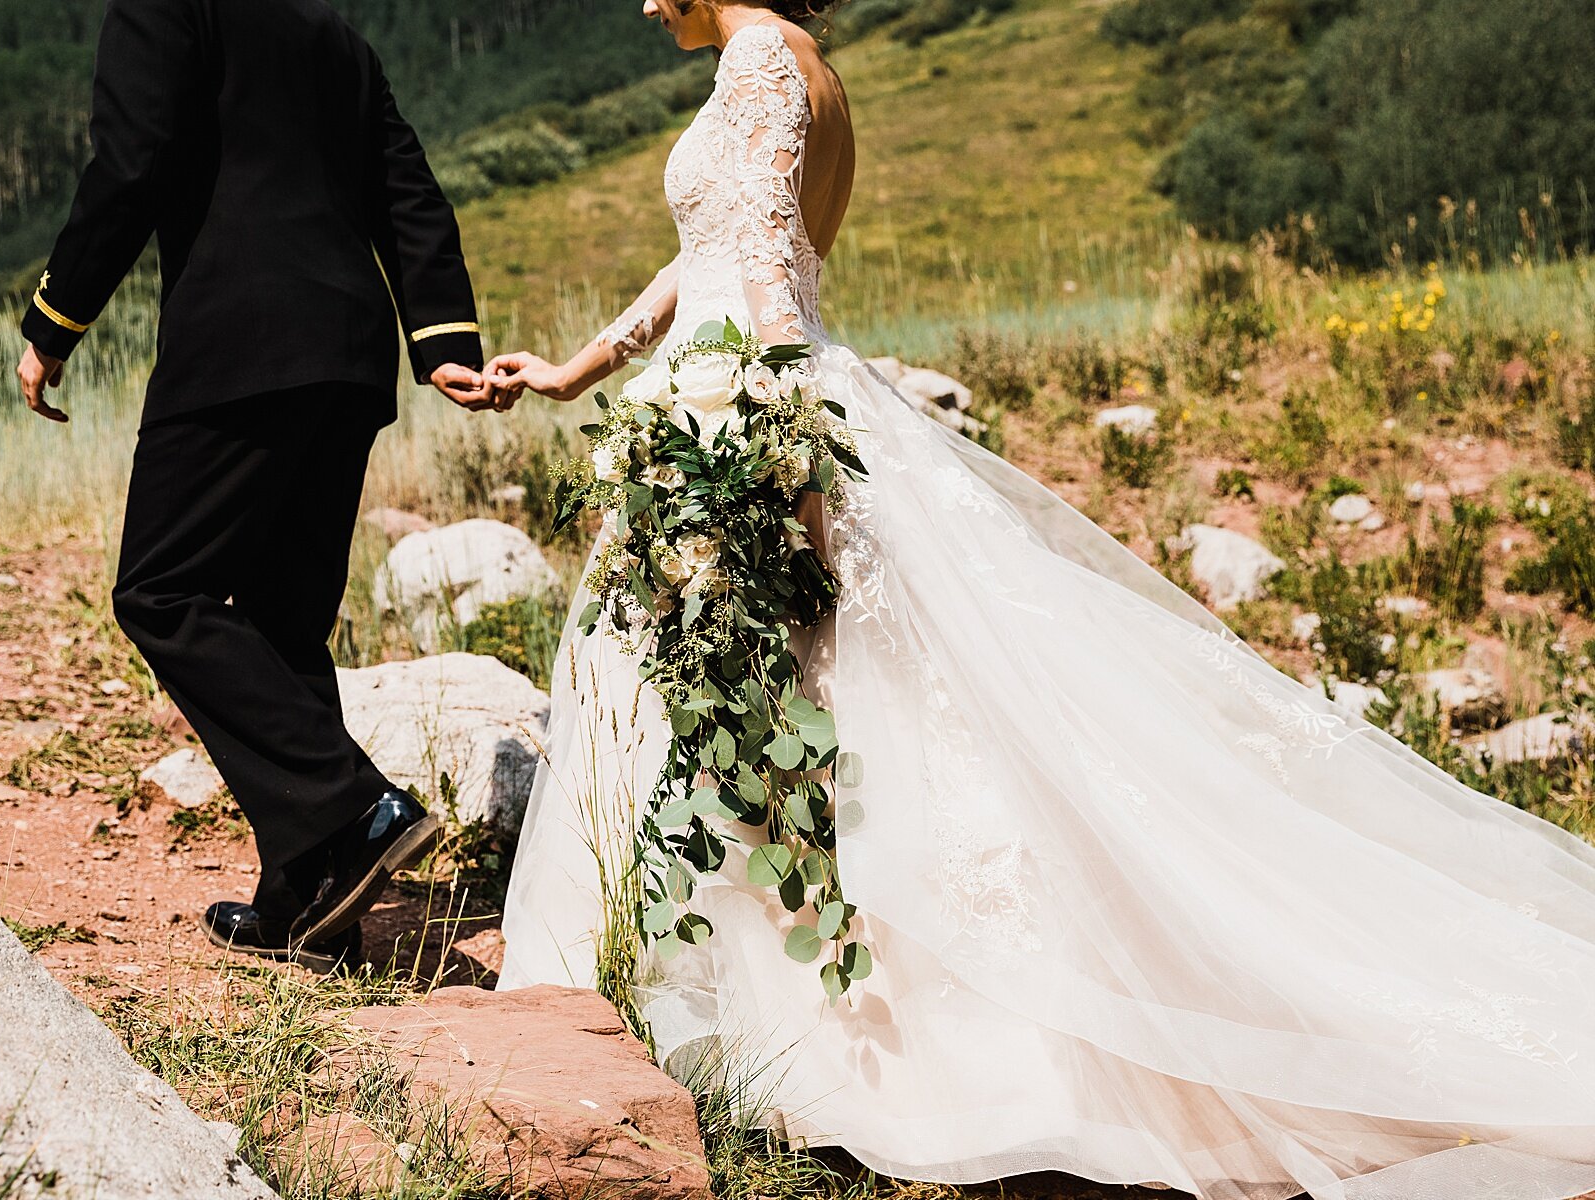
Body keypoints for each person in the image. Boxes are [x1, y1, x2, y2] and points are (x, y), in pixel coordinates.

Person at [487, 1, 1595, 1196]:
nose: (646, 2)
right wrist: (577, 370)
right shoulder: (806, 61)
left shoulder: (759, 55)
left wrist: (785, 432)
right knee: (824, 708)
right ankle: (768, 1012)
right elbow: (714, 249)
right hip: (737, 389)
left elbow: (762, 262)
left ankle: (797, 1034)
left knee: (753, 701)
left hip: (746, 408)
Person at [13, 0, 509, 972]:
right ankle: (308, 903)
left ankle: (351, 807)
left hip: (240, 343)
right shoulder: (330, 34)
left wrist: (54, 319)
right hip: (347, 354)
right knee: (283, 625)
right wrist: (442, 335)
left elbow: (130, 162)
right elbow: (402, 183)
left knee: (161, 590)